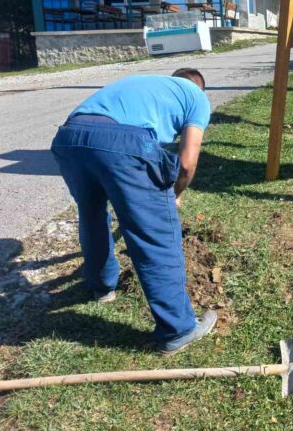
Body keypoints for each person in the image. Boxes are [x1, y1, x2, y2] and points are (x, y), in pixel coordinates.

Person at [50, 68, 216, 355]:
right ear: (199, 88)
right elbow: (187, 163)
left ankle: (102, 288)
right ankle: (179, 329)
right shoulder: (197, 98)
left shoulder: (149, 85)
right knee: (154, 233)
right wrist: (174, 194)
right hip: (120, 139)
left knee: (92, 215)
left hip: (69, 137)